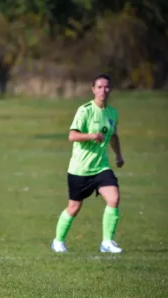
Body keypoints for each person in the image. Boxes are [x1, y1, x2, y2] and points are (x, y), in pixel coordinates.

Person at [51, 74, 125, 253]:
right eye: (99, 87)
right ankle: (58, 241)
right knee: (74, 207)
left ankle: (107, 242)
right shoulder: (85, 111)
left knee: (114, 198)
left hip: (101, 167)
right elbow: (72, 135)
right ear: (93, 89)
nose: (103, 90)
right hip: (80, 169)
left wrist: (119, 156)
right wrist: (92, 135)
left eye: (106, 87)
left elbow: (113, 136)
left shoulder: (112, 113)